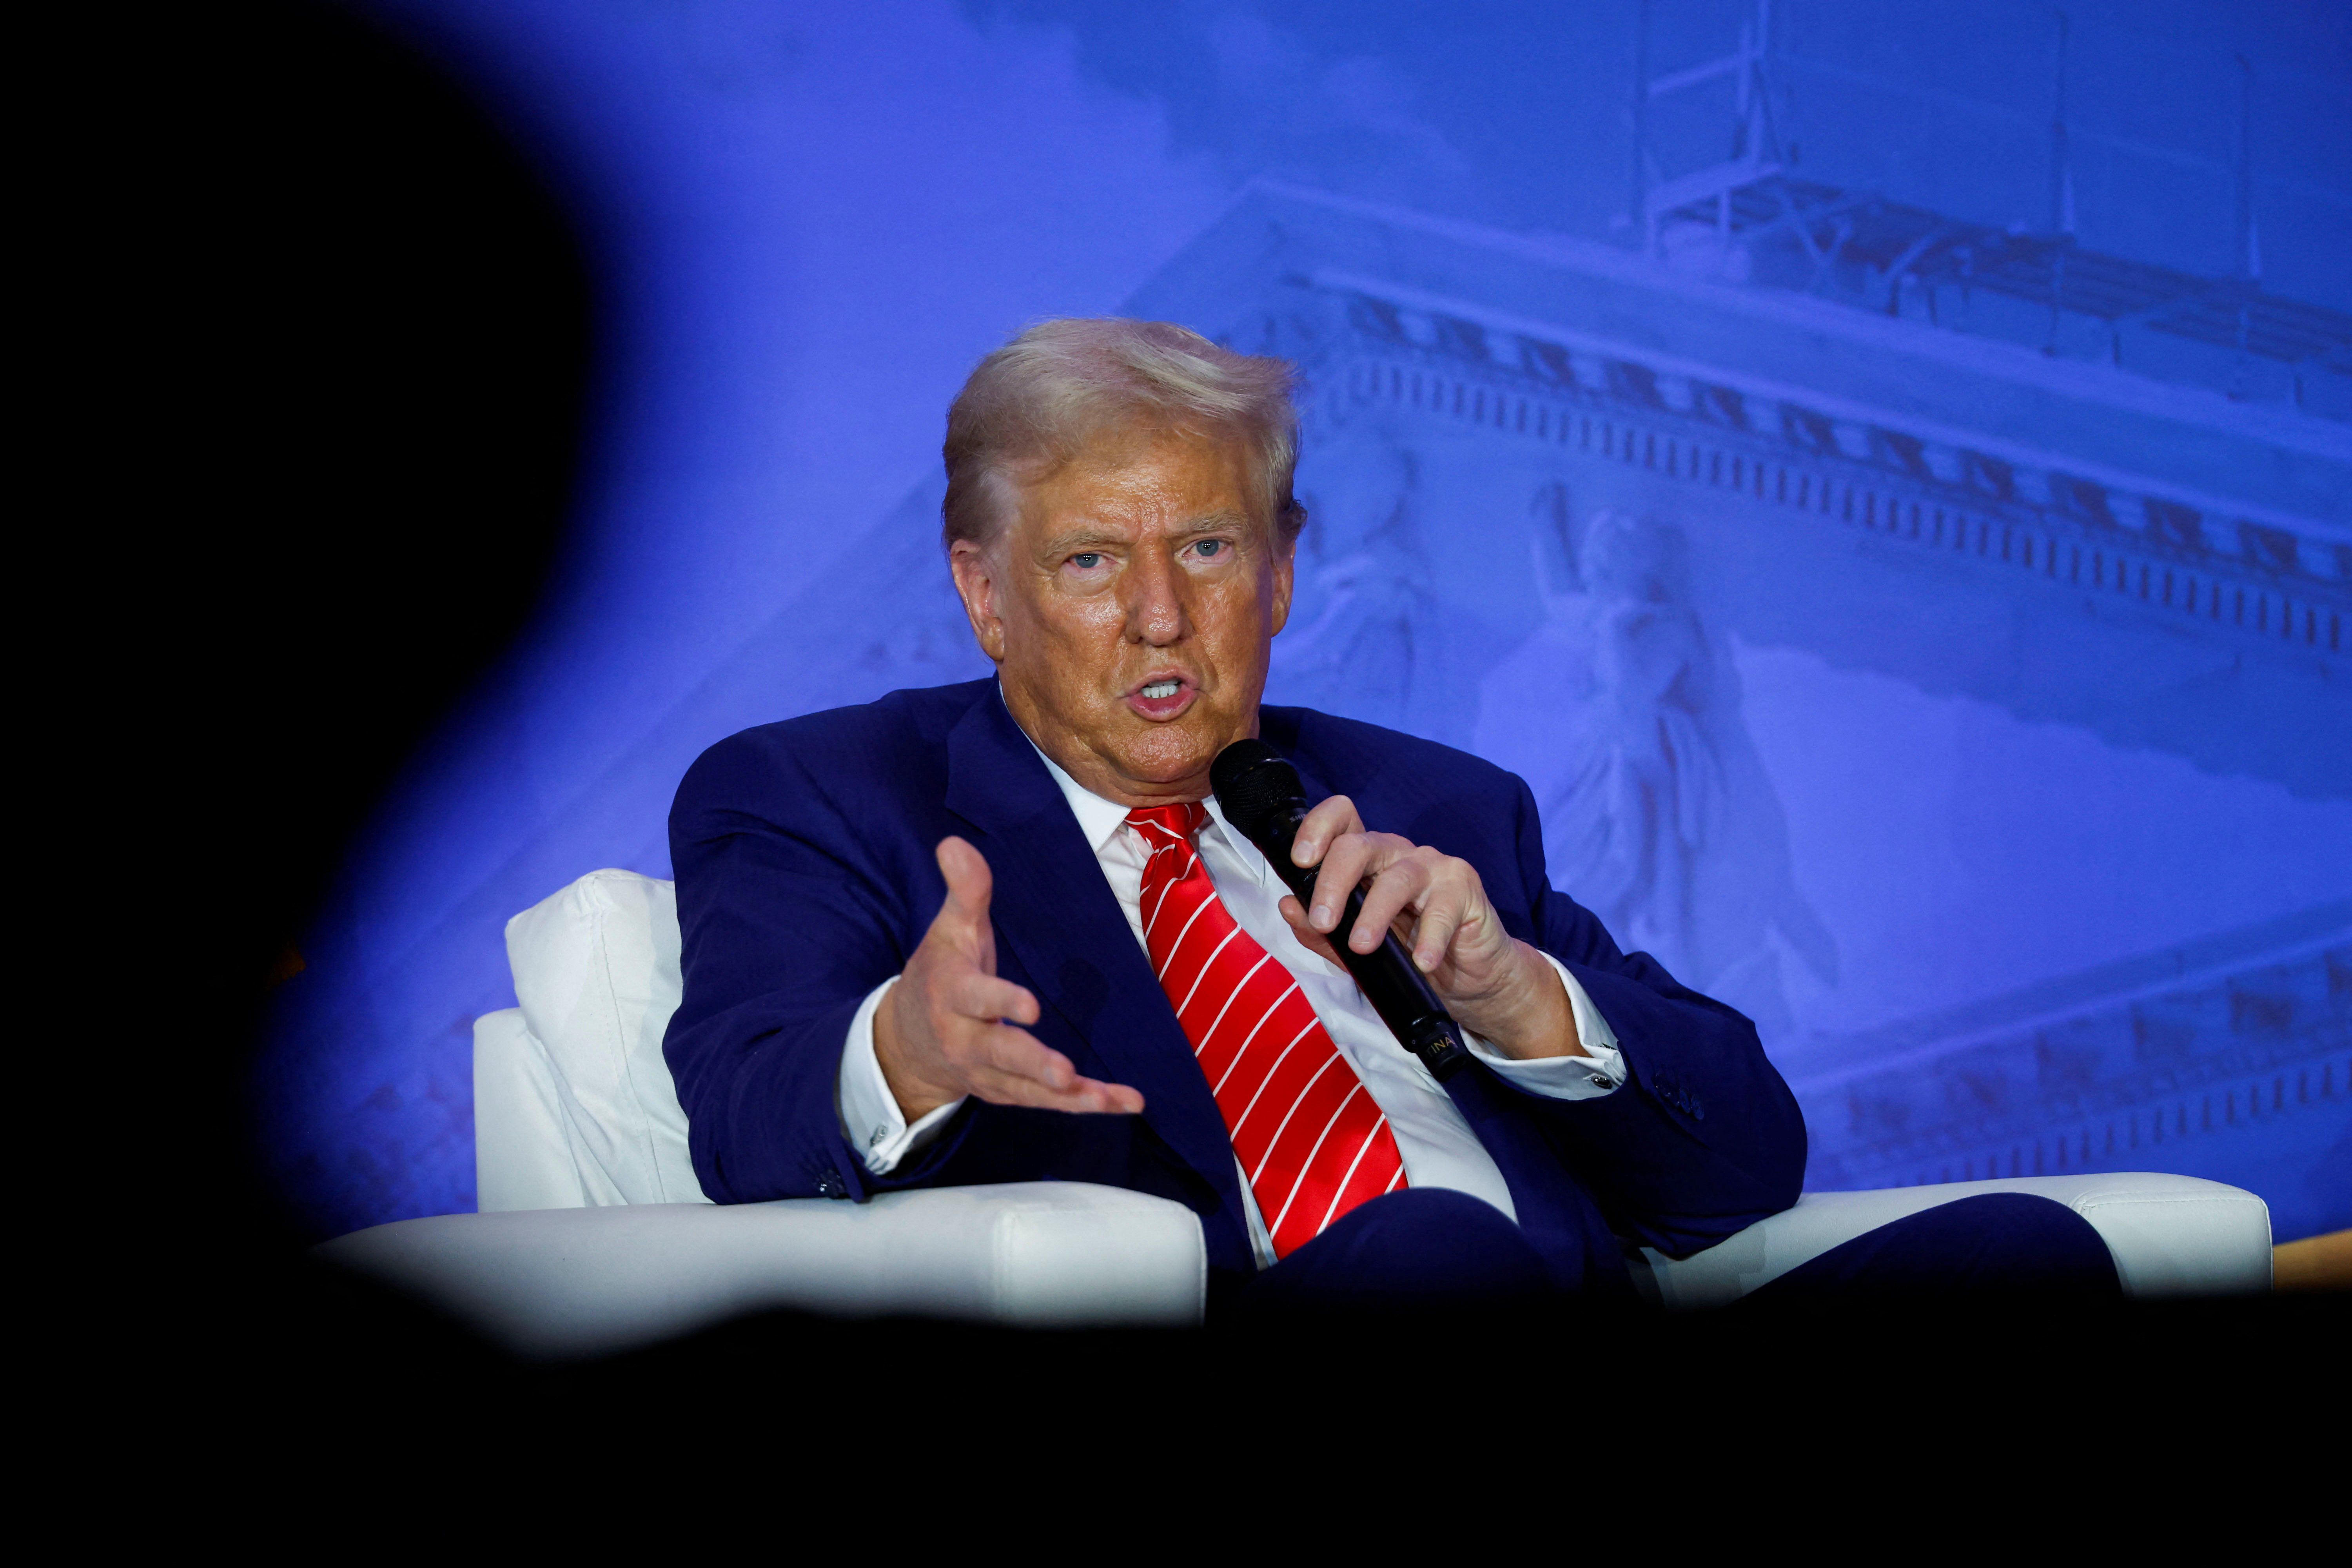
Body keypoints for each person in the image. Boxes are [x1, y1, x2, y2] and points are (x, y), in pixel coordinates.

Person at [662, 318, 2116, 1308]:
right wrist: (906, 1054)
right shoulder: (819, 793)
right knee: (1429, 1254)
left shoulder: (1435, 801)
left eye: (1211, 548)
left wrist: (1522, 1002)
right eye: (1093, 561)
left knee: (2018, 1253)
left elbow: (1743, 1168)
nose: (1162, 618)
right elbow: (747, 1118)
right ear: (984, 591)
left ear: (1285, 575)